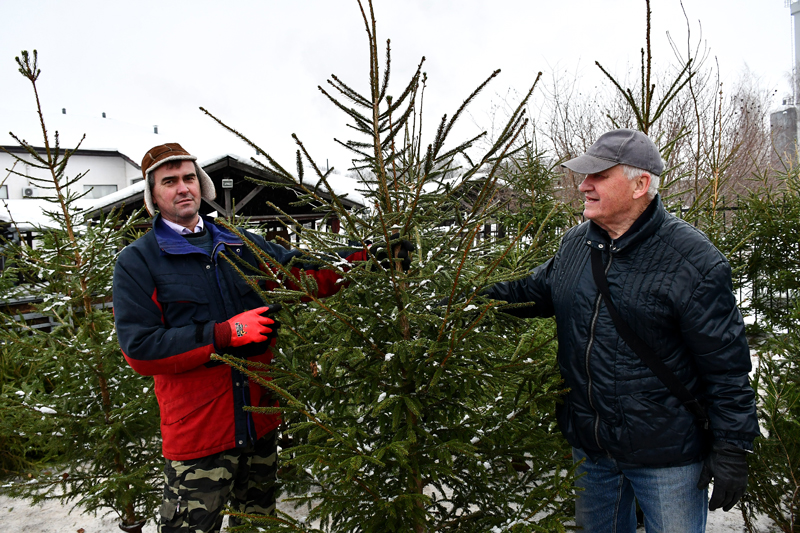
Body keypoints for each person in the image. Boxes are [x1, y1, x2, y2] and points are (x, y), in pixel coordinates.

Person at [485, 129, 759, 532]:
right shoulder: (578, 243)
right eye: (584, 176)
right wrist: (465, 300)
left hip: (667, 456)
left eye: (598, 176)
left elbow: (726, 366)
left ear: (640, 184)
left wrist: (733, 447)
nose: (583, 186)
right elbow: (532, 292)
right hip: (591, 449)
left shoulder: (693, 261)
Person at [113, 143, 378, 532]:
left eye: (189, 178)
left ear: (201, 186)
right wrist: (227, 333)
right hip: (200, 437)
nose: (182, 188)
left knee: (258, 525)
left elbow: (299, 273)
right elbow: (141, 349)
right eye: (169, 181)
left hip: (260, 424)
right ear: (153, 194)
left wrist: (367, 258)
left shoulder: (238, 242)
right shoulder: (138, 262)